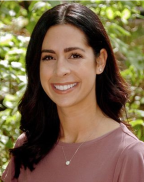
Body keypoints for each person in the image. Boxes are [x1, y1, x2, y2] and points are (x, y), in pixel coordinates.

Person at [2, 3, 144, 182]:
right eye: (49, 57)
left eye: (74, 55)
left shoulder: (130, 157)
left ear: (100, 61)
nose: (60, 70)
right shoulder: (28, 147)